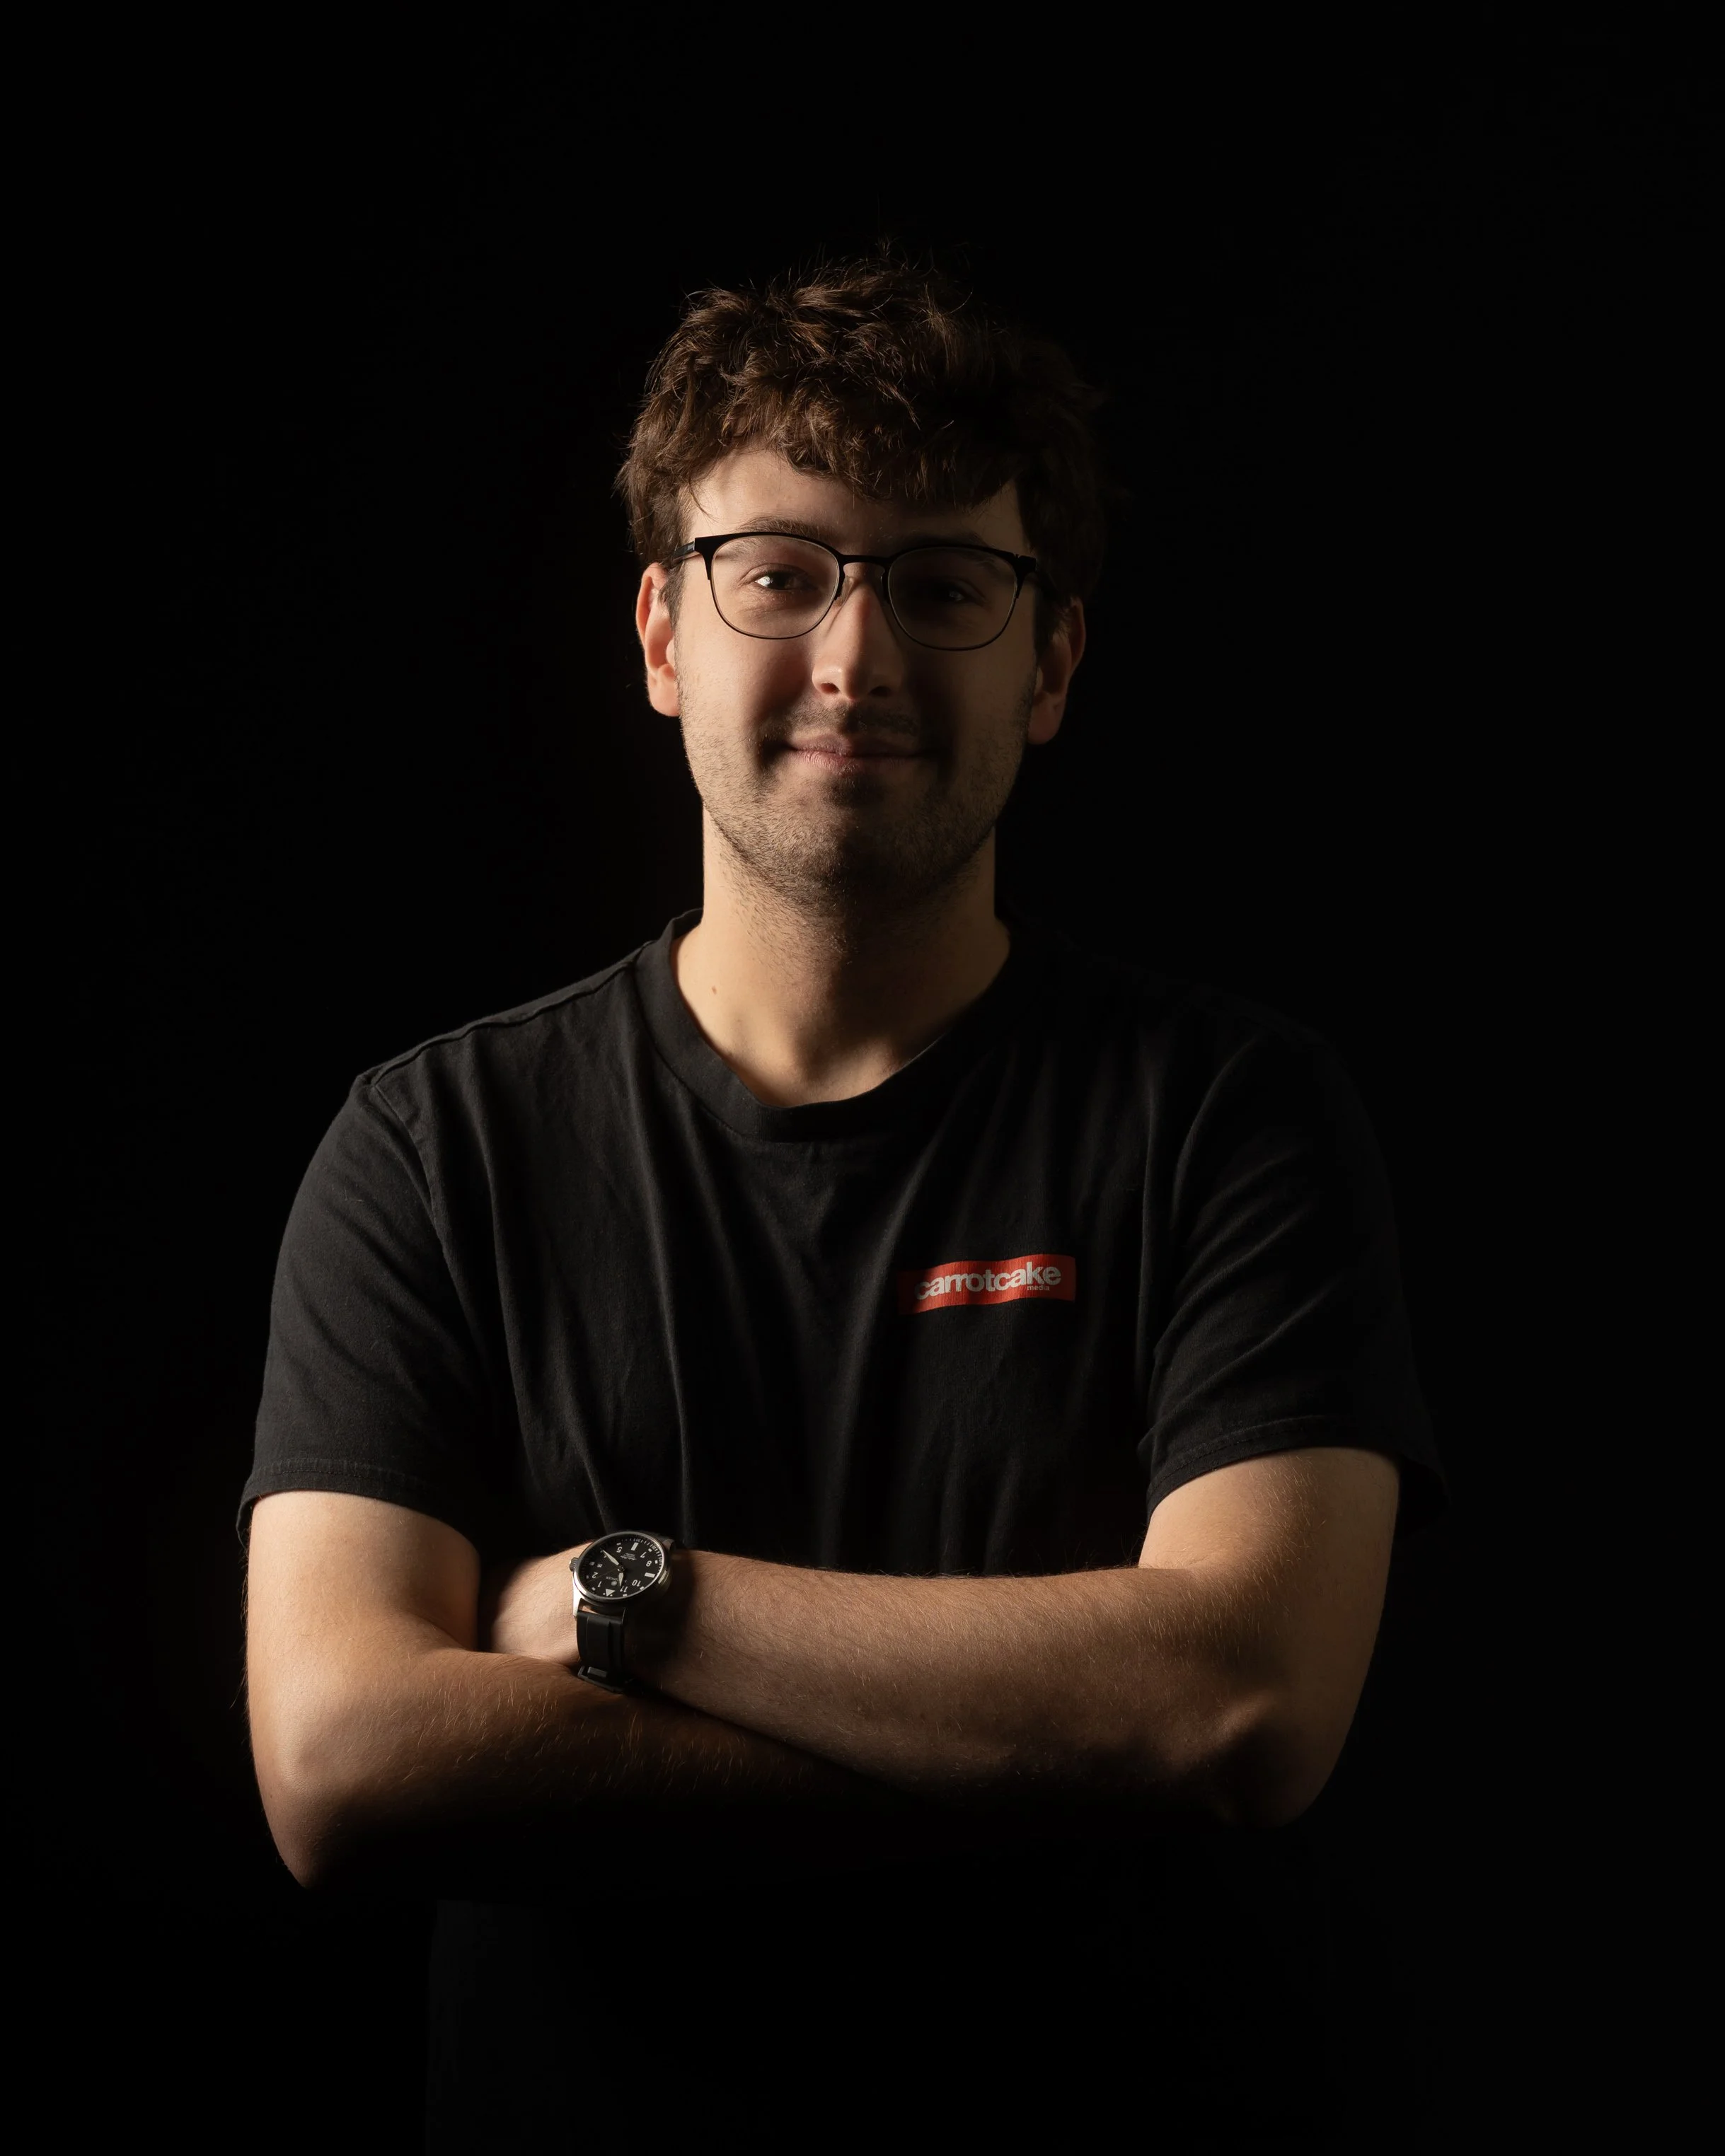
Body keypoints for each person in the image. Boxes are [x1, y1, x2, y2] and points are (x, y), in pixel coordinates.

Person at [243, 255, 1441, 2143]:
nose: (857, 661)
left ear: (1050, 664)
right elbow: (342, 1760)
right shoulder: (431, 1150)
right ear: (662, 635)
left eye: (944, 585)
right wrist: (1050, 1739)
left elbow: (1236, 1703)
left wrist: (636, 1599)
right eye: (780, 573)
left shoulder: (1227, 1119)